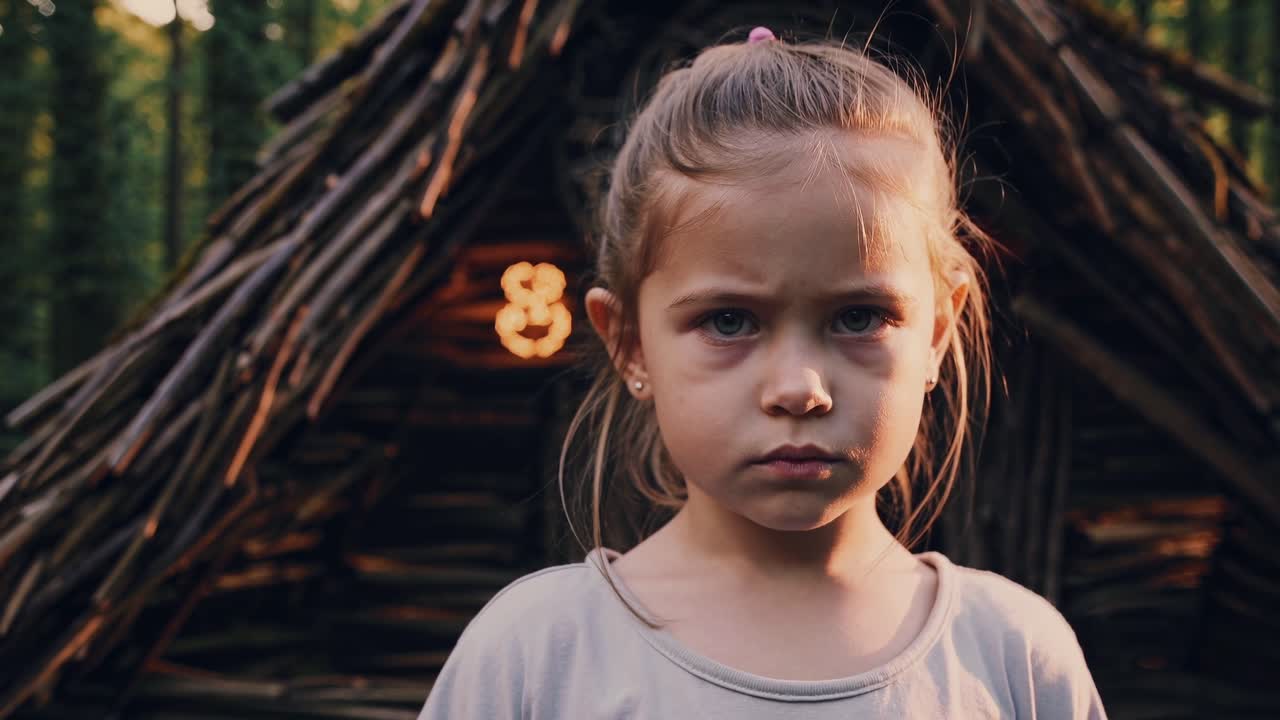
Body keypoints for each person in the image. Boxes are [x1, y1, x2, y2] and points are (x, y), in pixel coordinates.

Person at [417, 26, 1107, 719]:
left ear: (934, 332)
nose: (799, 388)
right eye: (728, 321)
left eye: (859, 317)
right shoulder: (537, 657)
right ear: (628, 343)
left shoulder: (1013, 656)